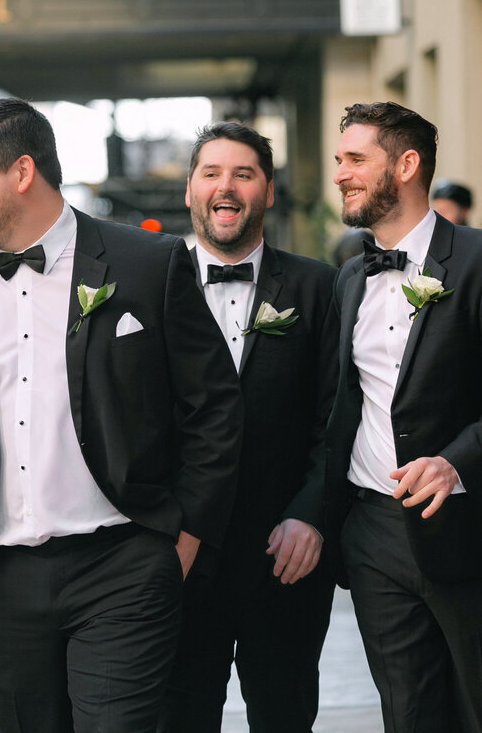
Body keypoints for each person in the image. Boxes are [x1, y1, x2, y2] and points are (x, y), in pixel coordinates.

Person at [0, 98, 243, 733]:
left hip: (125, 565)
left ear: (22, 171)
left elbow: (213, 405)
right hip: (0, 577)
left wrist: (186, 537)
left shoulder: (147, 262)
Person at [321, 102, 482, 732]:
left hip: (469, 525)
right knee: (408, 716)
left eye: (356, 160)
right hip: (370, 530)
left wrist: (454, 462)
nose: (340, 173)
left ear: (407, 165)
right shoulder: (348, 279)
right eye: (340, 160)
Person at [156, 121, 334, 732]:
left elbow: (340, 414)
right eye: (211, 173)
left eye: (243, 173)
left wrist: (312, 512)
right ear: (189, 191)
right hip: (177, 562)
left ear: (269, 191)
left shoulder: (320, 288)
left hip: (284, 560)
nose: (225, 188)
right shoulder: (148, 286)